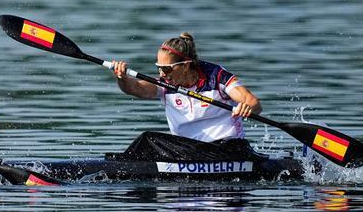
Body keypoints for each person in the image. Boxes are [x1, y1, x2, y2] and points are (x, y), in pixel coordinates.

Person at [110, 32, 261, 159]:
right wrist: (122, 78)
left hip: (228, 150)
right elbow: (135, 88)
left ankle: (121, 167)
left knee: (148, 139)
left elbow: (253, 103)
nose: (162, 74)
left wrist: (247, 108)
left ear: (186, 65)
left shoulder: (217, 77)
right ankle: (124, 164)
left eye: (167, 69)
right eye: (159, 68)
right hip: (188, 151)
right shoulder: (165, 84)